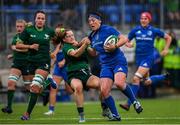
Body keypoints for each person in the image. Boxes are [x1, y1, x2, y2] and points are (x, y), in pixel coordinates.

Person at [87, 12, 143, 121]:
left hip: (118, 62)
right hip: (105, 65)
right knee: (104, 91)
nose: (91, 23)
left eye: (93, 20)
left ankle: (134, 101)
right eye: (89, 21)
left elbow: (124, 39)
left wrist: (115, 46)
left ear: (99, 21)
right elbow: (94, 53)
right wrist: (86, 47)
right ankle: (116, 116)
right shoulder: (92, 36)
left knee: (119, 83)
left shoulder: (108, 29)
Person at [119, 12, 172, 111]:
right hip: (139, 59)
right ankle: (164, 77)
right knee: (146, 82)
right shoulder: (136, 30)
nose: (143, 20)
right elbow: (126, 40)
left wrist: (166, 49)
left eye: (145, 18)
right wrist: (128, 44)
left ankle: (128, 104)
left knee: (135, 79)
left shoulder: (154, 30)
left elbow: (168, 37)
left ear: (149, 20)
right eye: (142, 18)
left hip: (148, 58)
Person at [60, 29, 112, 123]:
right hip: (73, 75)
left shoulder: (79, 44)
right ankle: (81, 115)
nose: (72, 37)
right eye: (69, 36)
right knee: (78, 87)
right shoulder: (66, 47)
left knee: (103, 85)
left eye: (72, 35)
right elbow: (75, 54)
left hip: (86, 73)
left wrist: (90, 43)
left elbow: (93, 53)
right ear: (64, 39)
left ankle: (104, 108)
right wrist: (84, 44)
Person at [15, 10, 56, 120]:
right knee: (34, 89)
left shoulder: (49, 31)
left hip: (44, 62)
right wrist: (30, 47)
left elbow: (58, 42)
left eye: (43, 18)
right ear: (35, 19)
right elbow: (18, 45)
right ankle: (47, 82)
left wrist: (54, 53)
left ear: (45, 20)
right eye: (38, 18)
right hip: (31, 62)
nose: (40, 20)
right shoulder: (28, 30)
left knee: (34, 87)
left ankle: (27, 114)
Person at [1, 19, 34, 114]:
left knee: (29, 87)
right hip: (17, 64)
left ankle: (45, 94)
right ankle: (9, 107)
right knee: (11, 83)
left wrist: (18, 49)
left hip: (27, 64)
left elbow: (26, 50)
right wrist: (14, 53)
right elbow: (13, 47)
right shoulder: (16, 36)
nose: (19, 28)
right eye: (17, 26)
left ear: (25, 27)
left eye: (21, 26)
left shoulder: (28, 37)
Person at [44, 26, 68, 115]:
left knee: (69, 91)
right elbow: (55, 56)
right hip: (58, 69)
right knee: (53, 88)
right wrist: (51, 65)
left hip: (67, 68)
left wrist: (64, 61)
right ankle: (51, 110)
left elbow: (70, 54)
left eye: (57, 32)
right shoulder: (56, 43)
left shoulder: (66, 41)